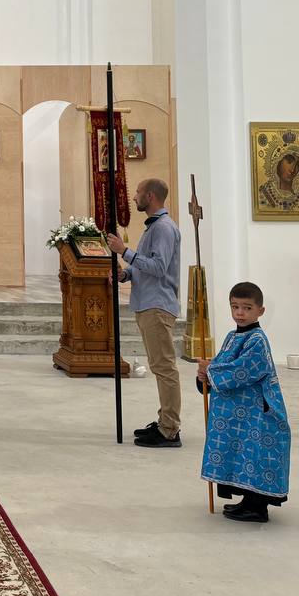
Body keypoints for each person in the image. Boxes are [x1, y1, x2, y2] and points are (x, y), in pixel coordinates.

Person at [198, 281, 290, 522]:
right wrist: (204, 375)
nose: (240, 313)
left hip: (258, 412)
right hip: (240, 414)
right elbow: (222, 364)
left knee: (256, 455)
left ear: (260, 311)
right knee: (242, 454)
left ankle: (257, 507)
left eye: (247, 308)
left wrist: (211, 371)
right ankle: (248, 501)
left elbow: (243, 370)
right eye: (235, 307)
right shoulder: (232, 337)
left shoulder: (257, 340)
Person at [106, 178, 182, 447]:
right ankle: (164, 421)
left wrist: (124, 252)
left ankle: (169, 429)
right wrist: (126, 274)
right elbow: (147, 265)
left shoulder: (163, 228)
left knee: (164, 368)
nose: (134, 197)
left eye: (138, 192)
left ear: (150, 196)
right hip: (148, 303)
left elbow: (159, 267)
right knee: (160, 366)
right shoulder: (155, 227)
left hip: (157, 305)